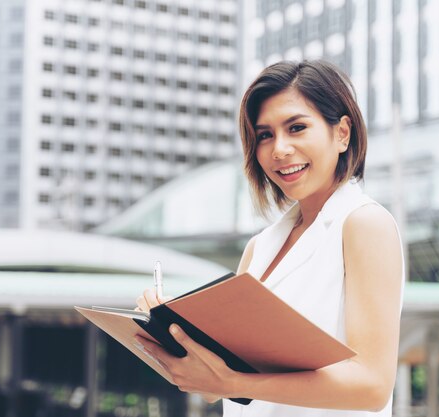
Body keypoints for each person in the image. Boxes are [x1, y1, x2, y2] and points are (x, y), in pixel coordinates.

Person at [135, 59, 404, 417]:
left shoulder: (364, 224)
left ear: (342, 133)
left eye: (296, 128)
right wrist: (176, 334)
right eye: (265, 135)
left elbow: (371, 385)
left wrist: (236, 384)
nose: (279, 149)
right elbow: (229, 382)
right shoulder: (259, 248)